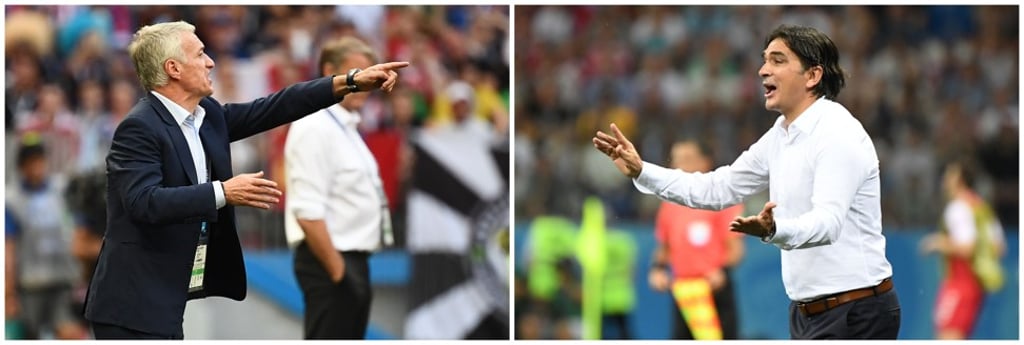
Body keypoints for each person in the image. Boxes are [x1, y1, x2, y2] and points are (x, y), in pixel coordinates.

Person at [83, 20, 408, 339]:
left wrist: (348, 82)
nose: (210, 62)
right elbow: (144, 202)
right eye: (199, 55)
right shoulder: (139, 127)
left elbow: (275, 107)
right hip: (130, 303)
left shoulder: (206, 117)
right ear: (173, 68)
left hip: (166, 298)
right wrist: (223, 191)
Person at [592, 24, 900, 339]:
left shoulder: (837, 134)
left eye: (778, 60)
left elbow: (828, 224)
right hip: (808, 312)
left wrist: (774, 230)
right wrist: (642, 170)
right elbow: (717, 188)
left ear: (813, 76)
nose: (763, 69)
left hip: (857, 312)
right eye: (765, 60)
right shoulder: (781, 134)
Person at [283, 36, 391, 339]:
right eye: (358, 72)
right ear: (331, 70)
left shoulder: (346, 127)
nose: (367, 83)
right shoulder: (314, 126)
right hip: (330, 259)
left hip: (351, 259)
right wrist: (339, 273)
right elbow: (306, 210)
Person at [648, 140, 744, 340]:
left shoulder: (722, 200)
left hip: (715, 290)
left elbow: (735, 249)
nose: (680, 166)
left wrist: (722, 272)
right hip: (684, 292)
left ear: (705, 163)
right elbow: (664, 248)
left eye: (687, 159)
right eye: (676, 161)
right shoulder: (669, 205)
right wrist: (657, 269)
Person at [5, 138, 88, 340]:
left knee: (68, 331)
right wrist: (8, 292)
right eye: (31, 161)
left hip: (62, 280)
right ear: (22, 165)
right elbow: (9, 248)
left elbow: (78, 232)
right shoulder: (12, 200)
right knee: (30, 335)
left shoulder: (60, 191)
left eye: (40, 160)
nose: (37, 166)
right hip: (30, 285)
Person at [920, 159, 1006, 339]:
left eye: (950, 174)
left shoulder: (958, 208)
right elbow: (999, 248)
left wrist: (938, 242)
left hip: (959, 283)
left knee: (947, 337)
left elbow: (967, 248)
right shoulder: (981, 207)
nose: (945, 178)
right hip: (976, 285)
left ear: (959, 179)